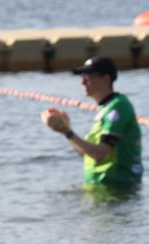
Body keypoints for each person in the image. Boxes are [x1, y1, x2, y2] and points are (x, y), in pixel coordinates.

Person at [42, 56, 143, 188]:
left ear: (106, 79)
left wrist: (68, 132)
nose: (83, 82)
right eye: (82, 77)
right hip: (101, 189)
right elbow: (86, 154)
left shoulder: (118, 107)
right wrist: (66, 130)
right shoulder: (105, 108)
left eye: (88, 76)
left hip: (116, 189)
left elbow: (99, 154)